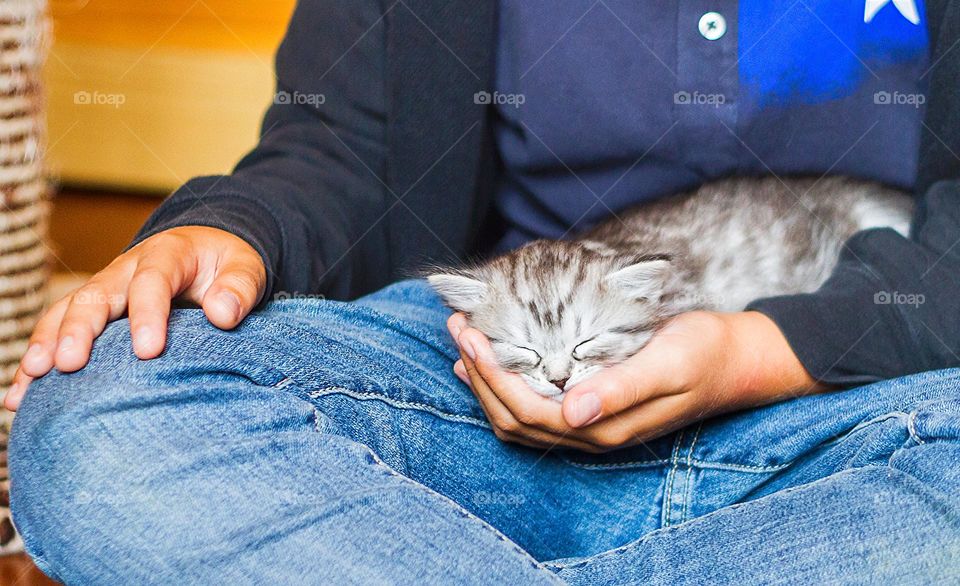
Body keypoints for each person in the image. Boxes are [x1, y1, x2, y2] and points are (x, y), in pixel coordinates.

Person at [7, 1, 960, 583]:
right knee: (94, 411)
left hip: (854, 394)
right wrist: (231, 228)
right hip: (475, 388)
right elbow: (340, 145)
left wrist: (758, 354)